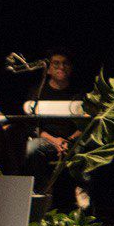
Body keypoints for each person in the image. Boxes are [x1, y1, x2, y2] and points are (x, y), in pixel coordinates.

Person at [22, 49, 83, 208]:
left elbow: (87, 125)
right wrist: (55, 141)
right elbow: (33, 126)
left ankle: (82, 200)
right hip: (48, 140)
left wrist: (69, 141)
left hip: (73, 141)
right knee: (32, 147)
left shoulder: (79, 93)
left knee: (93, 151)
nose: (61, 67)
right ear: (48, 69)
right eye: (56, 63)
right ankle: (38, 195)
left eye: (65, 63)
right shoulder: (38, 92)